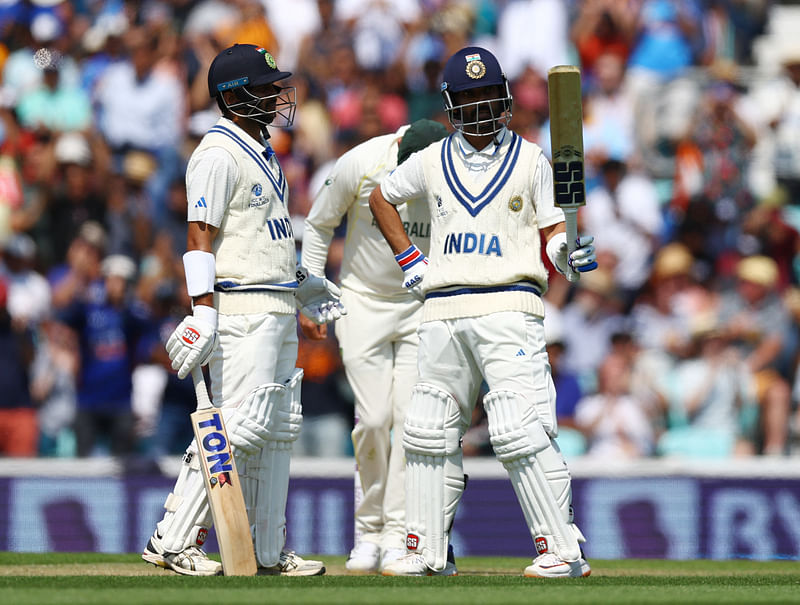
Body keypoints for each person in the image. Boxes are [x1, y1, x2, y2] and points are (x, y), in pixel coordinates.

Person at [368, 46, 597, 578]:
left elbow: (555, 234)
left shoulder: (534, 159)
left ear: (505, 100)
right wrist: (409, 259)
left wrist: (569, 254)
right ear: (450, 103)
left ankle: (561, 551)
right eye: (468, 97)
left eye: (488, 96)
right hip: (441, 307)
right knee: (427, 427)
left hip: (509, 303)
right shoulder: (428, 160)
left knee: (520, 427)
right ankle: (425, 551)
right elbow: (381, 198)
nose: (478, 107)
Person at [141, 44, 345, 577]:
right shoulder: (216, 153)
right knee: (240, 425)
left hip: (274, 304)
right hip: (241, 308)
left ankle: (267, 550)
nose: (277, 95)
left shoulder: (262, 150)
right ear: (234, 96)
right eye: (265, 87)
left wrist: (303, 286)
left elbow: (263, 240)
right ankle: (173, 538)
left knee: (276, 428)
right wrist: (203, 311)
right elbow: (198, 236)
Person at [299, 118, 449, 573]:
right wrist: (311, 295)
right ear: (399, 146)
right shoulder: (362, 161)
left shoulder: (451, 166)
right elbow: (319, 223)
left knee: (409, 424)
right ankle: (368, 532)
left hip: (421, 305)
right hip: (361, 302)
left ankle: (399, 535)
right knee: (375, 419)